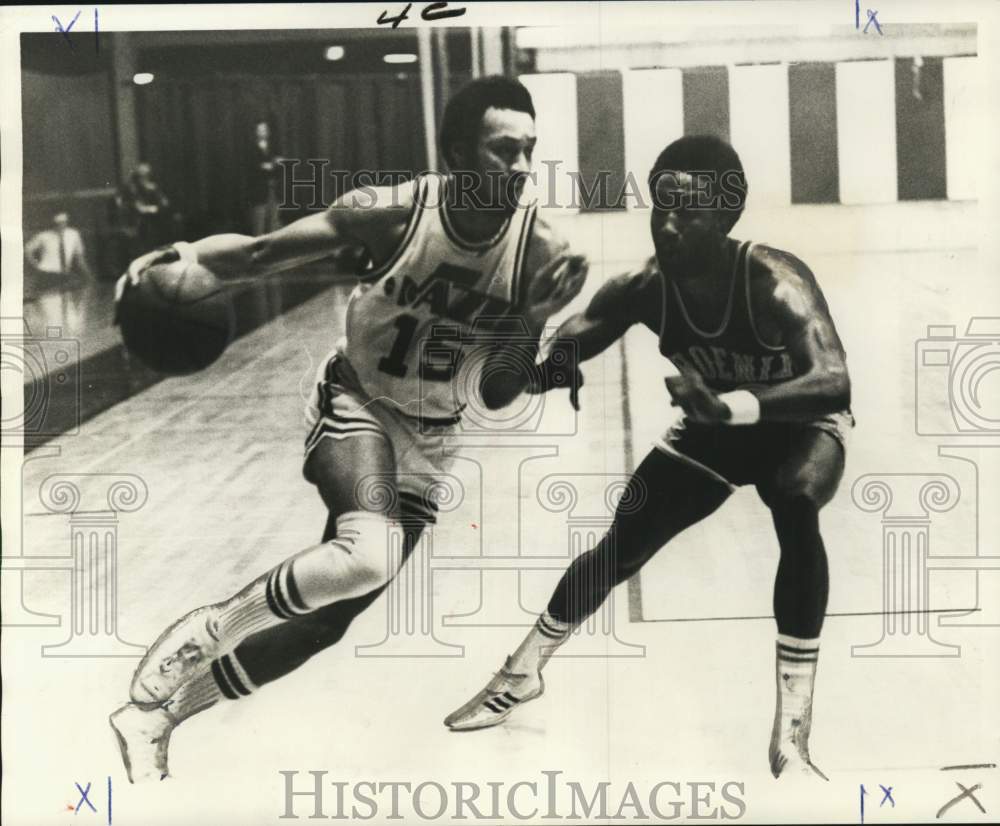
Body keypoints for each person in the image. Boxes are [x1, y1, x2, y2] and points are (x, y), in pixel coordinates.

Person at [109, 76, 589, 783]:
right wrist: (172, 260)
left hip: (438, 434)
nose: (521, 167)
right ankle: (205, 629)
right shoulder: (391, 214)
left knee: (328, 620)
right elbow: (255, 254)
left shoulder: (541, 251)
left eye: (529, 152)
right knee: (366, 554)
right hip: (359, 399)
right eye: (503, 150)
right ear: (458, 153)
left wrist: (536, 318)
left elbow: (499, 389)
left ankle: (157, 716)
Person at [443, 135, 853, 782]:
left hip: (797, 422)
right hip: (713, 430)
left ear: (726, 216)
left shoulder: (777, 282)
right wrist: (527, 317)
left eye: (686, 212)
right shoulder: (641, 289)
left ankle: (791, 737)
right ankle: (520, 672)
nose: (667, 223)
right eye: (659, 207)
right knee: (619, 546)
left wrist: (733, 406)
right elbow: (522, 382)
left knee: (797, 503)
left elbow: (834, 382)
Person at [24, 211, 93, 284]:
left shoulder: (74, 234)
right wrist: (35, 264)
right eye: (58, 223)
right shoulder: (43, 236)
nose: (61, 225)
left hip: (64, 274)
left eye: (63, 222)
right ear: (53, 224)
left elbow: (80, 258)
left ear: (67, 223)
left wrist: (89, 276)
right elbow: (27, 250)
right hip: (46, 274)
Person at [246, 118, 282, 235]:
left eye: (265, 130)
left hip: (273, 191)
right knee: (258, 227)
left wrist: (273, 164)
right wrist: (269, 165)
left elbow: (278, 165)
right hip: (258, 193)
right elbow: (253, 167)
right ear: (255, 132)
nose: (263, 132)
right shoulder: (250, 148)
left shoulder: (273, 147)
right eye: (260, 130)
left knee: (273, 225)